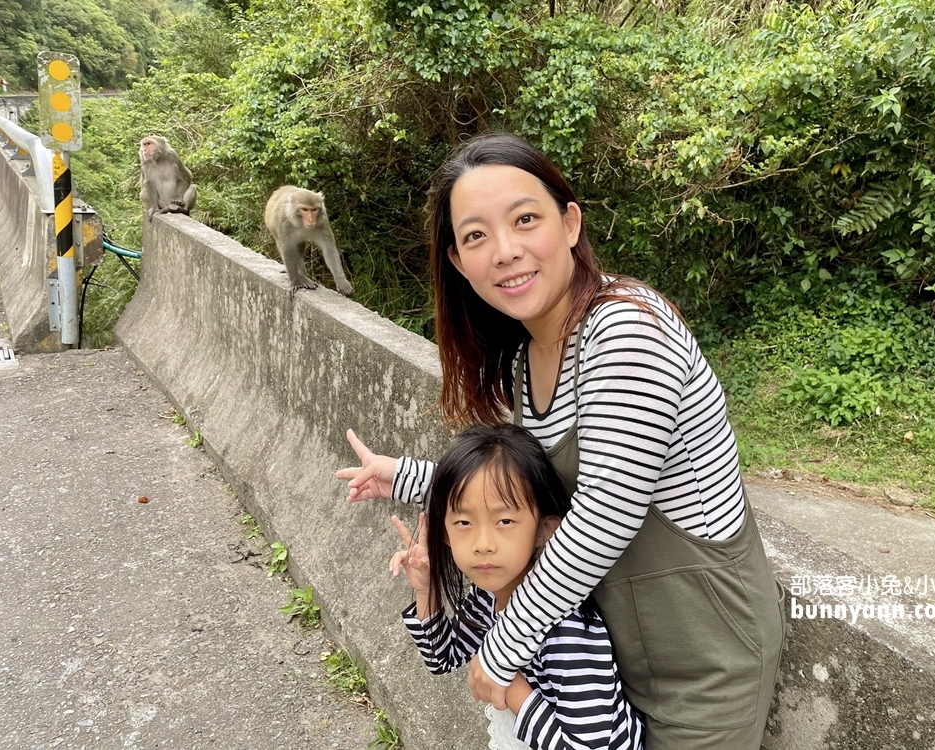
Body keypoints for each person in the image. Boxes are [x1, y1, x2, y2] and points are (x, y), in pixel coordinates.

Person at [337, 131, 786, 749]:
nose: (505, 251)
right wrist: (409, 476)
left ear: (570, 223)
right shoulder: (527, 358)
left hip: (702, 661)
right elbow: (526, 486)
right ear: (458, 263)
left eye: (526, 219)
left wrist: (502, 651)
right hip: (613, 662)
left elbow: (602, 515)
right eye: (476, 236)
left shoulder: (625, 330)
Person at [391, 423, 644, 749]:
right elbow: (444, 657)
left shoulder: (569, 633)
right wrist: (427, 590)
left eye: (505, 521)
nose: (483, 544)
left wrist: (510, 688)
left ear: (546, 530)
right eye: (464, 523)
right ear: (444, 533)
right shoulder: (486, 597)